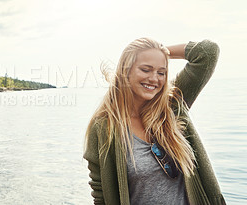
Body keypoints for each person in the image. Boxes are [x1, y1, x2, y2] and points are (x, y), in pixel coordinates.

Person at [83, 38, 226, 205]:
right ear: (126, 70)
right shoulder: (103, 127)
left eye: (161, 72)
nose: (154, 79)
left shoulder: (172, 105)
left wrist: (163, 52)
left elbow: (207, 53)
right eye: (145, 69)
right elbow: (101, 193)